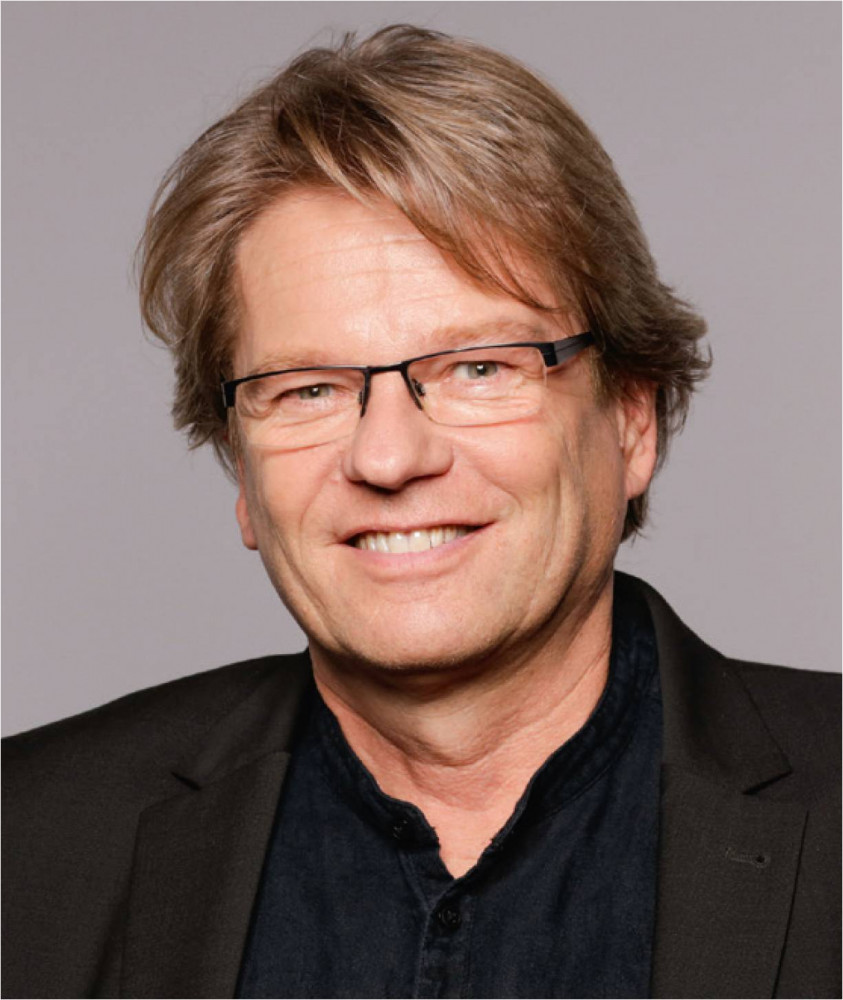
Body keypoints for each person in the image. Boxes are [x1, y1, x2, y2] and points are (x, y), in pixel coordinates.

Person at [3, 25, 838, 1000]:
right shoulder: (26, 844)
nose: (389, 457)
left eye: (478, 368)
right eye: (308, 389)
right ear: (241, 471)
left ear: (631, 419)